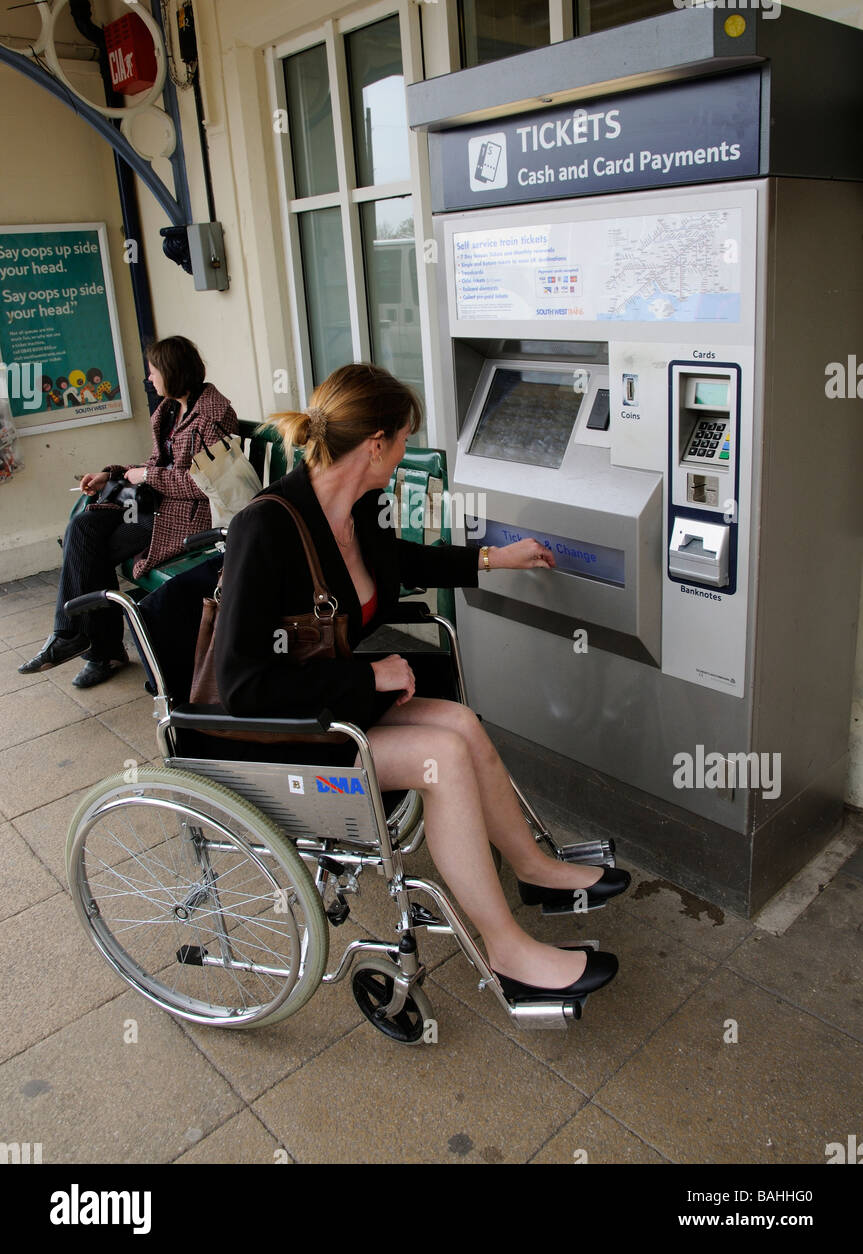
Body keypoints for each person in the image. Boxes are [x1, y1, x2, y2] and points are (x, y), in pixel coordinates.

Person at [215, 362, 629, 1007]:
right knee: (441, 758)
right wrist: (366, 673)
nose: (408, 451)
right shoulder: (264, 529)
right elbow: (242, 686)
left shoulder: (361, 507)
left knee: (462, 725)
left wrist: (496, 557)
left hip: (339, 709)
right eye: (405, 439)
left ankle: (537, 871)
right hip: (287, 730)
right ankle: (507, 952)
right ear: (376, 444)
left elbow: (402, 561)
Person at [19, 336, 237, 689]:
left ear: (171, 370)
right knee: (84, 526)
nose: (148, 379)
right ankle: (72, 633)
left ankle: (99, 650)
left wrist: (148, 476)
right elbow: (154, 464)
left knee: (91, 549)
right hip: (153, 504)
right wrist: (115, 474)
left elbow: (205, 485)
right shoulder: (169, 409)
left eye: (152, 372)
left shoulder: (213, 413)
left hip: (186, 515)